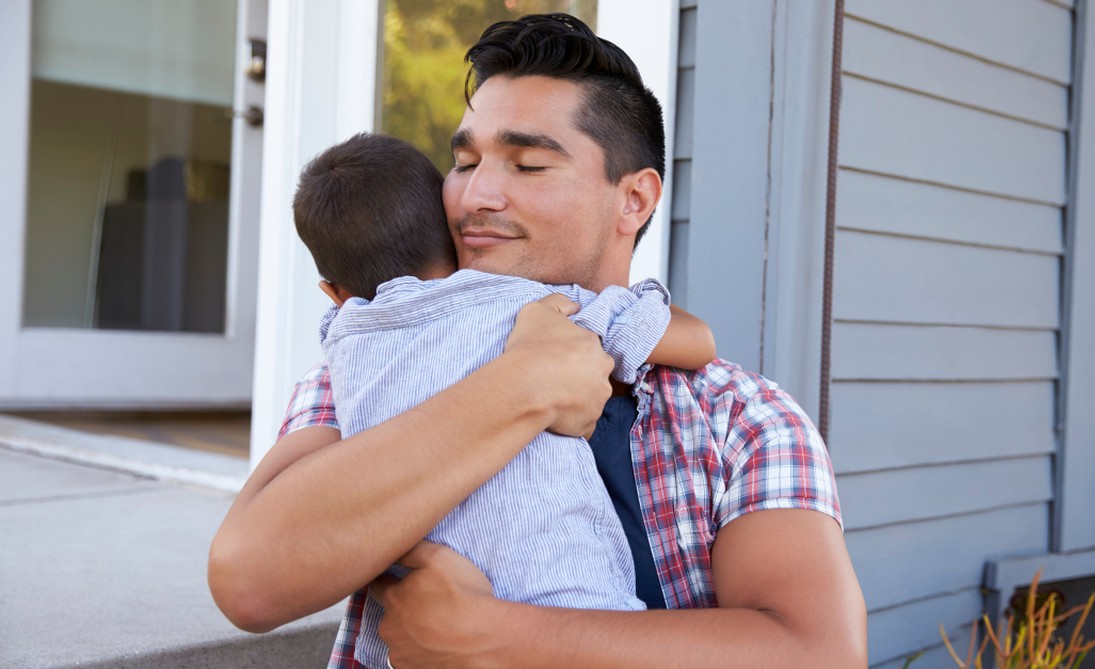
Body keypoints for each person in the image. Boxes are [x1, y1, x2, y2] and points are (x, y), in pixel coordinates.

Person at [209, 12, 868, 669]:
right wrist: (519, 387)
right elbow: (250, 580)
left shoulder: (741, 419)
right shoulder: (373, 360)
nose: (475, 194)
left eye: (526, 164)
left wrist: (496, 636)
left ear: (633, 200)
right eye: (464, 161)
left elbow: (819, 653)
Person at [292, 132, 715, 669]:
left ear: (334, 293)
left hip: (409, 632)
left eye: (530, 165)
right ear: (455, 238)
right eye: (465, 164)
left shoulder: (341, 347)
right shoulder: (520, 304)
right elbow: (696, 343)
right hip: (566, 600)